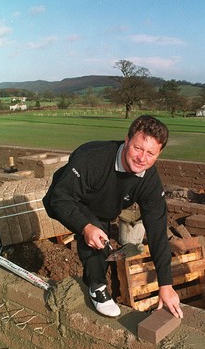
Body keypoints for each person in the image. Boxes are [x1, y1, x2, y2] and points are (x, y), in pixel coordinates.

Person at [43, 115, 183, 319]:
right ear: (126, 141)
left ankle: (93, 239)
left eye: (150, 153)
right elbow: (59, 198)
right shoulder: (93, 159)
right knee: (94, 233)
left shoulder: (149, 181)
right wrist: (85, 227)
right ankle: (97, 287)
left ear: (158, 154)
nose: (142, 158)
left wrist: (166, 284)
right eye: (137, 148)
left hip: (103, 207)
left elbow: (157, 231)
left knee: (102, 234)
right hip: (67, 197)